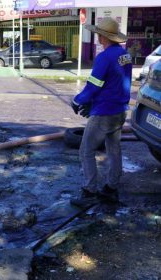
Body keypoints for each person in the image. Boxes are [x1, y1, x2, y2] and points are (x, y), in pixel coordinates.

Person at [70, 17, 132, 208]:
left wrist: (77, 100)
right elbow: (114, 83)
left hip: (104, 112)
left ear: (102, 36)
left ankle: (89, 192)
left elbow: (94, 85)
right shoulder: (125, 55)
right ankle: (111, 189)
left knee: (86, 150)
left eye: (98, 34)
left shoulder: (104, 57)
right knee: (114, 149)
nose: (97, 37)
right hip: (120, 111)